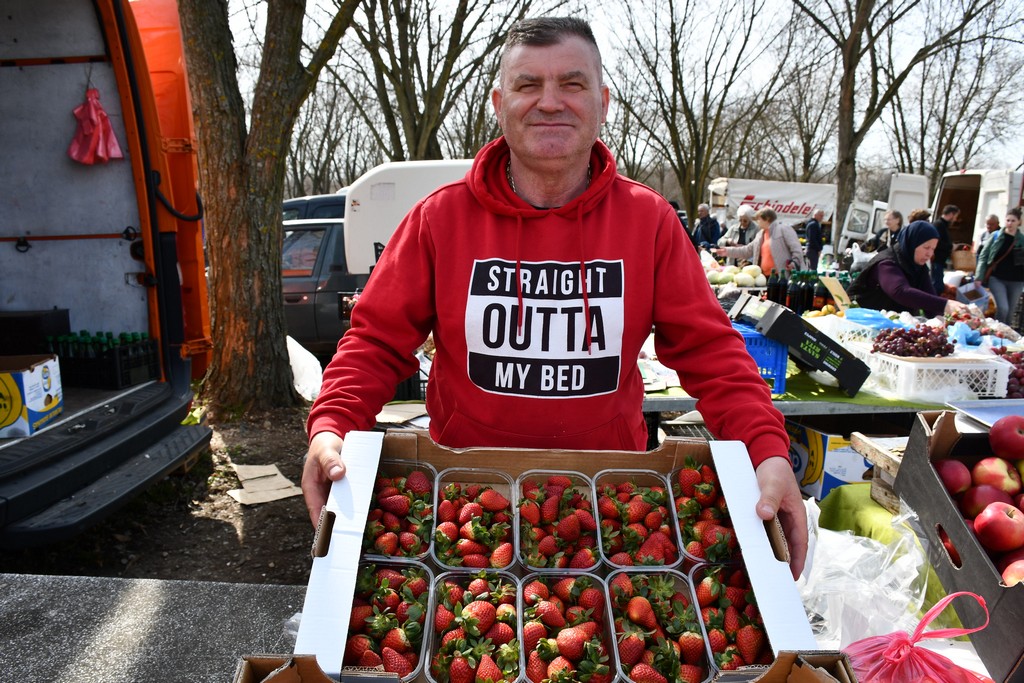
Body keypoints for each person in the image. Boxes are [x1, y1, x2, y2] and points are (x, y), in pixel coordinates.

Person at [301, 16, 807, 579]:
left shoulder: (650, 221)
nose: (550, 102)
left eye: (571, 83)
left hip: (609, 501)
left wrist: (767, 450)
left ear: (602, 101)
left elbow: (713, 354)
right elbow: (374, 341)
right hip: (464, 500)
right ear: (499, 102)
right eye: (527, 85)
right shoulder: (438, 218)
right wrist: (331, 429)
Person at [847, 220, 969, 318]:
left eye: (933, 249)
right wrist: (945, 304)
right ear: (912, 243)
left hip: (892, 327)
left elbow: (930, 303)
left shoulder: (919, 267)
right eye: (926, 247)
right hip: (862, 322)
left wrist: (945, 319)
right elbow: (900, 291)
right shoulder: (886, 263)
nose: (929, 254)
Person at [712, 207, 805, 273]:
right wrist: (726, 251)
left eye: (758, 219)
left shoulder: (784, 229)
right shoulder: (760, 235)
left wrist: (794, 263)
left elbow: (796, 249)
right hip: (765, 277)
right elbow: (747, 250)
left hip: (782, 277)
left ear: (767, 219)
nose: (757, 222)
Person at [975, 207, 1024, 326]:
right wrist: (979, 277)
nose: (1010, 223)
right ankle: (998, 331)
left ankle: (1006, 336)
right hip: (997, 278)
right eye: (1008, 220)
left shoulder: (1022, 240)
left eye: (1013, 221)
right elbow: (983, 255)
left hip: (1017, 280)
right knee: (1003, 308)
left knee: (1011, 312)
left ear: (1019, 222)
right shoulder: (996, 236)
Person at [931, 204, 959, 294]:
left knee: (939, 285)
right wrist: (951, 247)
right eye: (956, 216)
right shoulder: (939, 224)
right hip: (937, 260)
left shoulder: (943, 225)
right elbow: (936, 242)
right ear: (951, 214)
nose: (955, 219)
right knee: (937, 286)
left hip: (940, 261)